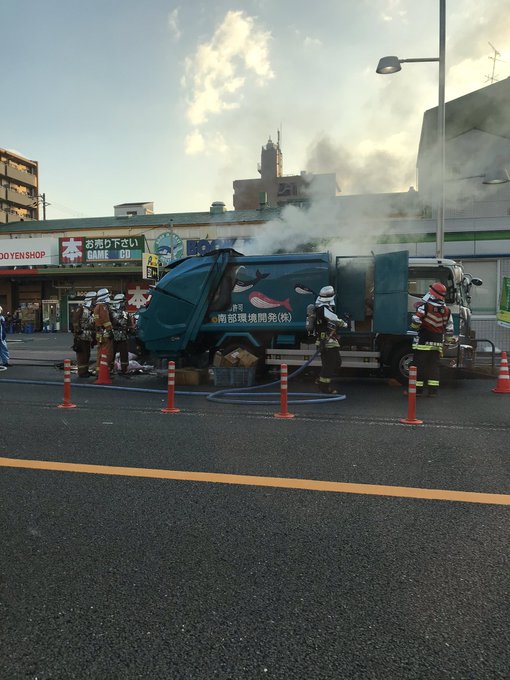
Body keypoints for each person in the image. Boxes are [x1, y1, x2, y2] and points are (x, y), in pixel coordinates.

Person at [410, 282, 455, 397]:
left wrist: (414, 327)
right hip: (437, 344)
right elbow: (450, 329)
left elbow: (416, 320)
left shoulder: (424, 306)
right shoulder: (446, 310)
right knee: (433, 367)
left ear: (432, 294)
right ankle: (433, 391)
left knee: (419, 366)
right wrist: (448, 341)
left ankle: (418, 391)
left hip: (423, 342)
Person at [314, 285, 348, 394]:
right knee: (332, 363)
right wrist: (344, 323)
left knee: (333, 363)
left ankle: (321, 381)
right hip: (326, 342)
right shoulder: (323, 308)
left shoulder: (323, 307)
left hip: (328, 340)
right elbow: (334, 318)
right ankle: (323, 386)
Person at [72, 292, 96, 377]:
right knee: (82, 355)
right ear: (90, 300)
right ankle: (81, 372)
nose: (95, 302)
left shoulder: (91, 310)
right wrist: (78, 330)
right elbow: (75, 320)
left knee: (87, 354)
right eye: (94, 299)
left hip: (88, 335)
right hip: (81, 335)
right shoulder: (81, 308)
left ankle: (85, 370)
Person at [111, 293, 133, 376]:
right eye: (123, 302)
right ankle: (110, 369)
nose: (124, 303)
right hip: (113, 335)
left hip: (123, 336)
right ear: (118, 302)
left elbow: (129, 324)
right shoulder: (111, 313)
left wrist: (131, 329)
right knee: (111, 353)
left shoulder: (126, 313)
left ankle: (124, 369)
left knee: (124, 354)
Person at [93, 288, 114, 374]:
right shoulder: (103, 306)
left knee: (100, 352)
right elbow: (106, 319)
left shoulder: (96, 307)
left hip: (99, 333)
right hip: (105, 333)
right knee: (107, 352)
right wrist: (110, 330)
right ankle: (105, 372)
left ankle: (99, 371)